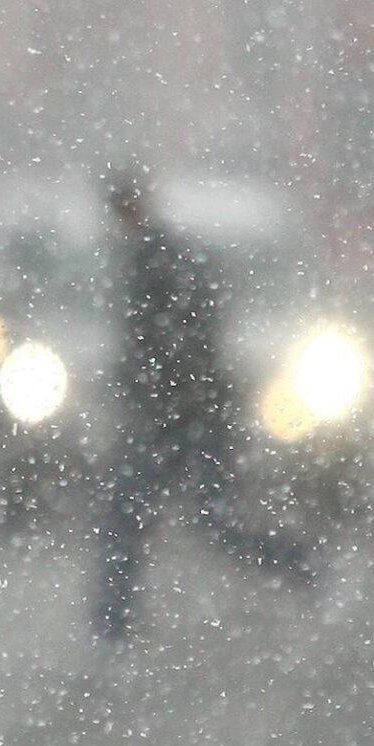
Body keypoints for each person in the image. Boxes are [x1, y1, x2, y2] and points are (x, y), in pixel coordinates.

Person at [93, 166, 317, 639]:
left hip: (181, 417)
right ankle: (113, 623)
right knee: (187, 519)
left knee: (162, 519)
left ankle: (113, 624)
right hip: (182, 415)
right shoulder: (154, 257)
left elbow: (181, 343)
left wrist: (161, 391)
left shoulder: (159, 260)